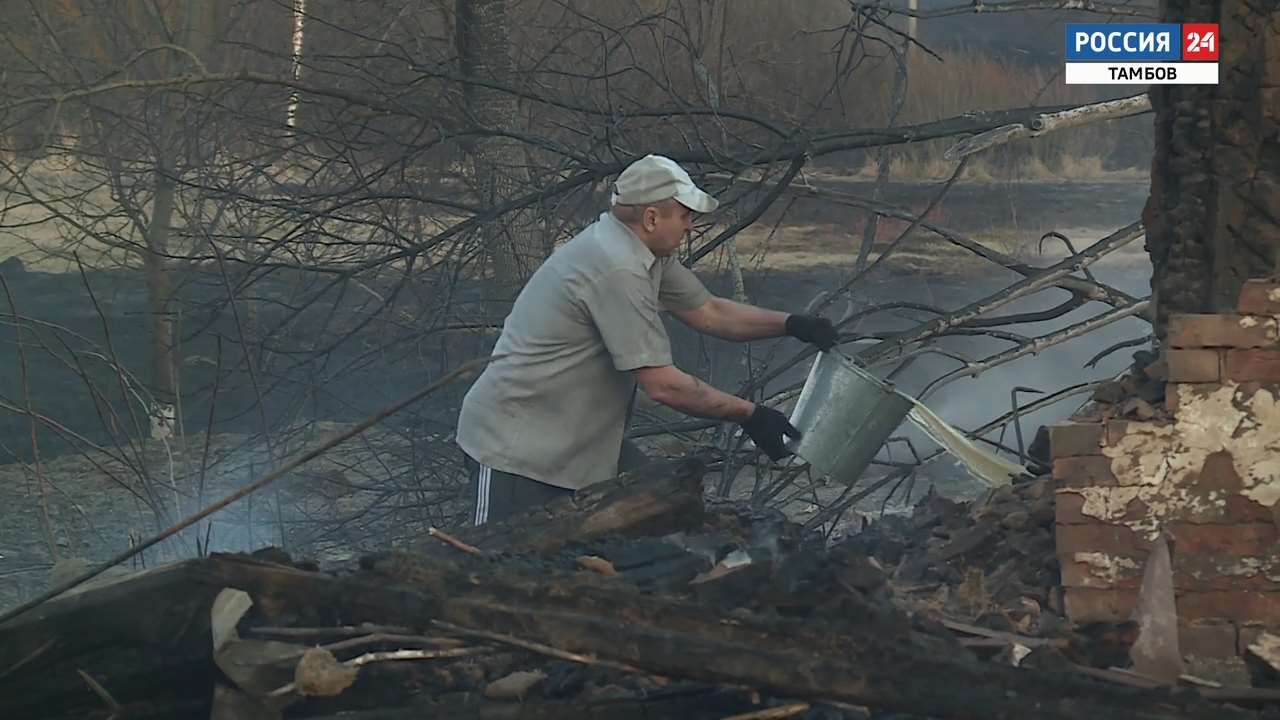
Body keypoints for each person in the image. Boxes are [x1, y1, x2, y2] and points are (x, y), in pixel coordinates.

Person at [456, 155, 837, 526]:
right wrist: (750, 415)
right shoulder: (616, 267)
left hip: (577, 449)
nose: (691, 226)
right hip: (515, 450)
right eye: (686, 215)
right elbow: (663, 386)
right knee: (490, 571)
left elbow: (709, 311)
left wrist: (793, 324)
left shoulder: (643, 252)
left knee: (658, 525)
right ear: (652, 217)